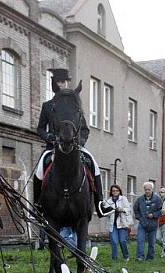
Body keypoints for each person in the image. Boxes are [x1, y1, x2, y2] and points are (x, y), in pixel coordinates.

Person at [34, 68, 111, 218]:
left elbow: (85, 129)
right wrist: (50, 137)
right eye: (60, 82)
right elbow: (40, 128)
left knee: (93, 164)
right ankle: (38, 204)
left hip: (75, 146)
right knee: (39, 168)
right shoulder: (48, 105)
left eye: (66, 81)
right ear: (55, 84)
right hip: (54, 147)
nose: (63, 84)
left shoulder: (75, 103)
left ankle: (100, 203)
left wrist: (80, 142)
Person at [133, 181, 162, 261]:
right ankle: (140, 257)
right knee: (140, 240)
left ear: (152, 189)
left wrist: (154, 215)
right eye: (145, 189)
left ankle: (150, 257)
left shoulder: (157, 199)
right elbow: (135, 210)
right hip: (142, 223)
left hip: (153, 224)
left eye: (149, 189)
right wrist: (140, 218)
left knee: (152, 242)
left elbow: (161, 211)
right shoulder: (140, 199)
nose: (147, 191)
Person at [106, 184, 133, 261]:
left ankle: (126, 256)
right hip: (113, 224)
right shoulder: (109, 201)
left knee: (122, 241)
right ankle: (114, 259)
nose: (115, 192)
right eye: (113, 191)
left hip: (122, 223)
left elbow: (129, 209)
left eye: (117, 190)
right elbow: (105, 213)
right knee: (114, 241)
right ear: (111, 192)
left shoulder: (123, 199)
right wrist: (111, 211)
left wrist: (122, 209)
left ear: (119, 191)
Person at [157, 187, 165, 256]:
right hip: (159, 222)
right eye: (160, 192)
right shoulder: (158, 201)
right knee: (157, 238)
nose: (160, 194)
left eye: (162, 192)